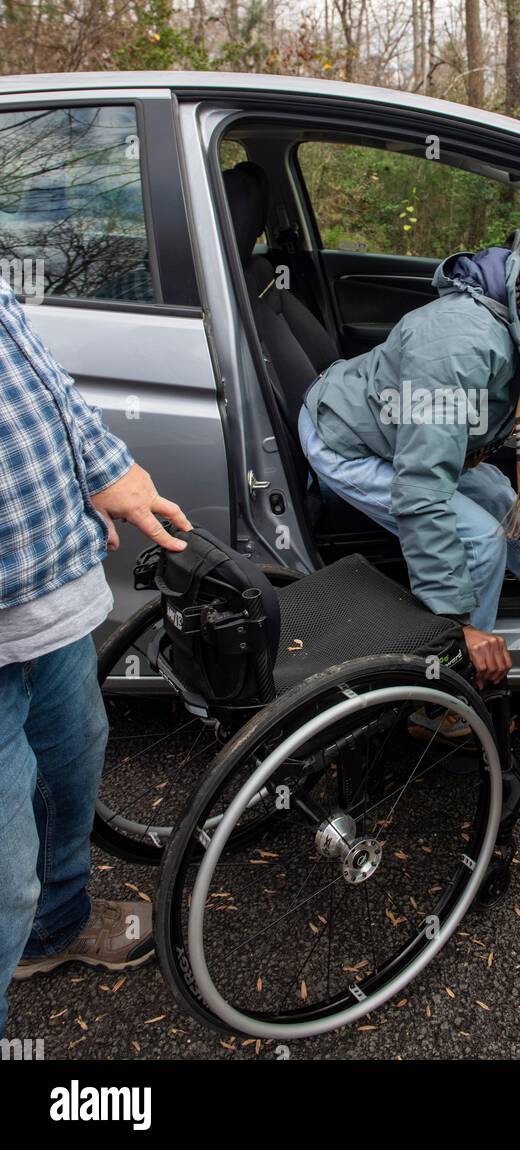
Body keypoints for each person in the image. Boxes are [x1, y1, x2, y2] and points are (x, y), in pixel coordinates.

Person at [299, 217, 520, 728]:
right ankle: (444, 681)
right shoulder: (459, 344)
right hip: (346, 439)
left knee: (499, 493)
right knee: (480, 538)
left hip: (395, 429)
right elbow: (421, 487)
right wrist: (460, 622)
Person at [0, 276, 191, 1037]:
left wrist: (102, 468)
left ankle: (54, 930)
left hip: (45, 596)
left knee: (71, 761)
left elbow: (32, 374)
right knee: (3, 880)